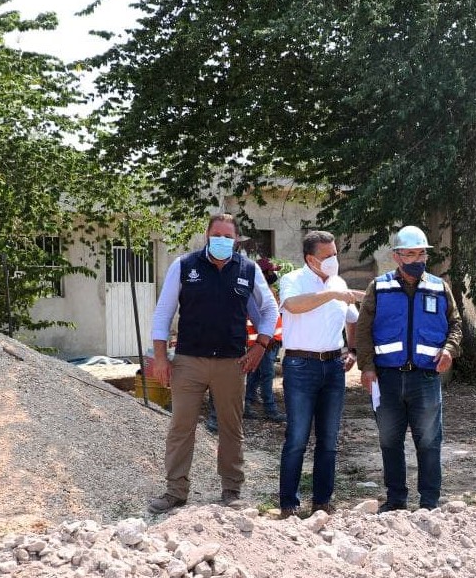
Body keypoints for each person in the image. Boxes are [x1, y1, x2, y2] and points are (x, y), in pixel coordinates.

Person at [147, 213, 279, 513]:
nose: (222, 240)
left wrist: (260, 345)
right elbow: (163, 314)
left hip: (232, 363)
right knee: (181, 427)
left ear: (236, 240)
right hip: (188, 361)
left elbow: (269, 311)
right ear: (207, 236)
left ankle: (232, 490)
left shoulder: (248, 269)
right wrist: (160, 358)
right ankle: (175, 491)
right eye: (216, 235)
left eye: (228, 236)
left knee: (231, 428)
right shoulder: (184, 266)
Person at [357, 225, 462, 512]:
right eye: (410, 254)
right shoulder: (379, 288)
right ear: (396, 257)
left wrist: (450, 350)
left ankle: (429, 502)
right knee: (390, 442)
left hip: (426, 379)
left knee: (429, 442)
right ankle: (396, 501)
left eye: (421, 254)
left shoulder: (439, 288)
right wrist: (366, 368)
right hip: (387, 379)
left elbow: (456, 325)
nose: (417, 260)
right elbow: (363, 331)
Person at [277, 230, 364, 519]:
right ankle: (289, 504)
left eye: (335, 254)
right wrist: (331, 294)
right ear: (310, 259)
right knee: (297, 438)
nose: (334, 260)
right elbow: (292, 306)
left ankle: (322, 501)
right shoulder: (293, 280)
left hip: (333, 368)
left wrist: (352, 350)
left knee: (328, 439)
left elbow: (353, 319)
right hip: (300, 366)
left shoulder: (339, 283)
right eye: (328, 256)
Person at [244, 258, 285, 421]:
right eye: (271, 271)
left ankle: (247, 403)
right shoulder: (256, 294)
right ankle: (270, 409)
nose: (274, 274)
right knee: (267, 375)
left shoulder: (267, 290)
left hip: (270, 341)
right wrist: (264, 340)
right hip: (263, 343)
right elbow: (256, 319)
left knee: (256, 374)